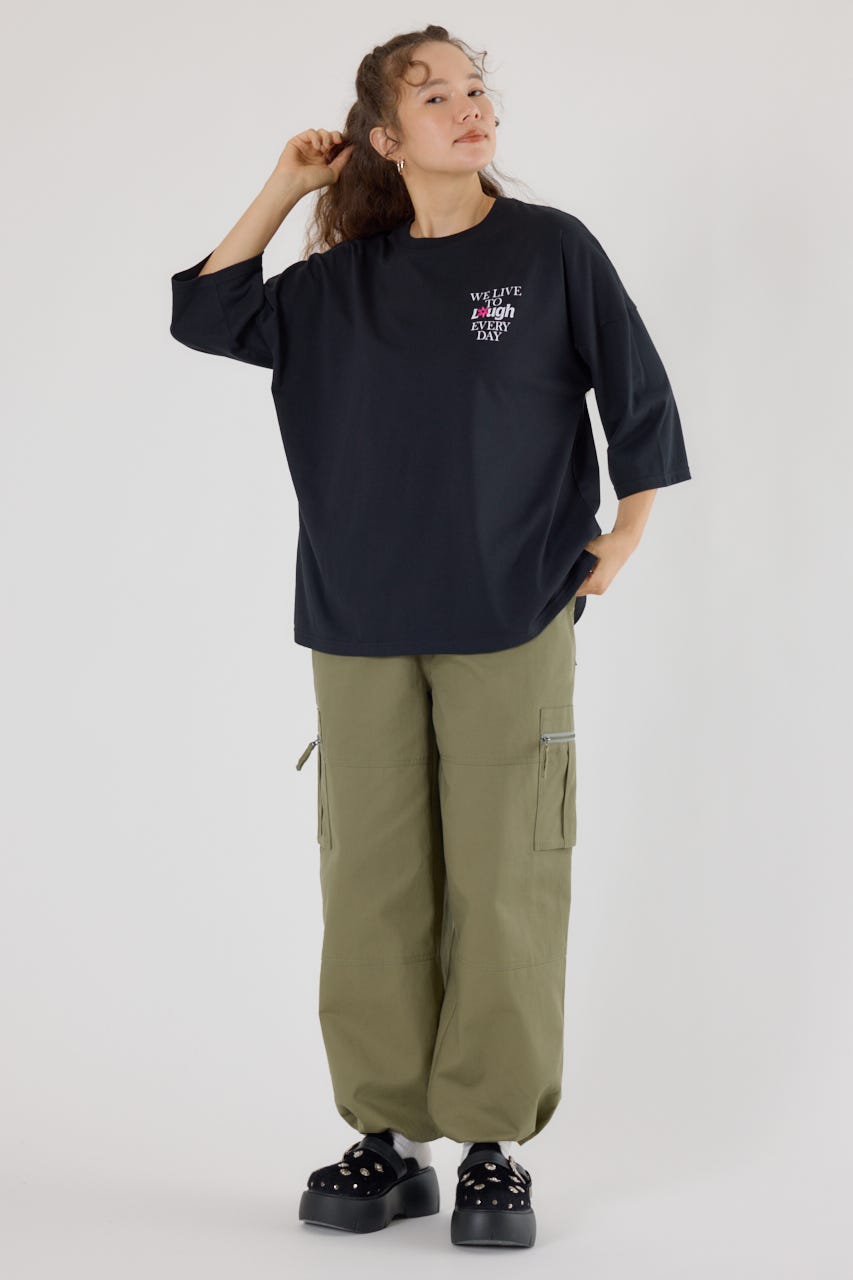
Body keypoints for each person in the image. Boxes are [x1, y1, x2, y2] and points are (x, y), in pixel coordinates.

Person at [170, 25, 691, 1249]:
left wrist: (624, 535)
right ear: (384, 138)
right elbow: (205, 311)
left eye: (475, 88)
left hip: (510, 611)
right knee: (372, 882)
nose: (469, 109)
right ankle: (389, 1137)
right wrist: (286, 184)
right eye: (434, 96)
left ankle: (492, 1142)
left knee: (502, 879)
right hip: (357, 619)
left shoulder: (549, 249)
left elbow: (638, 394)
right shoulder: (338, 285)